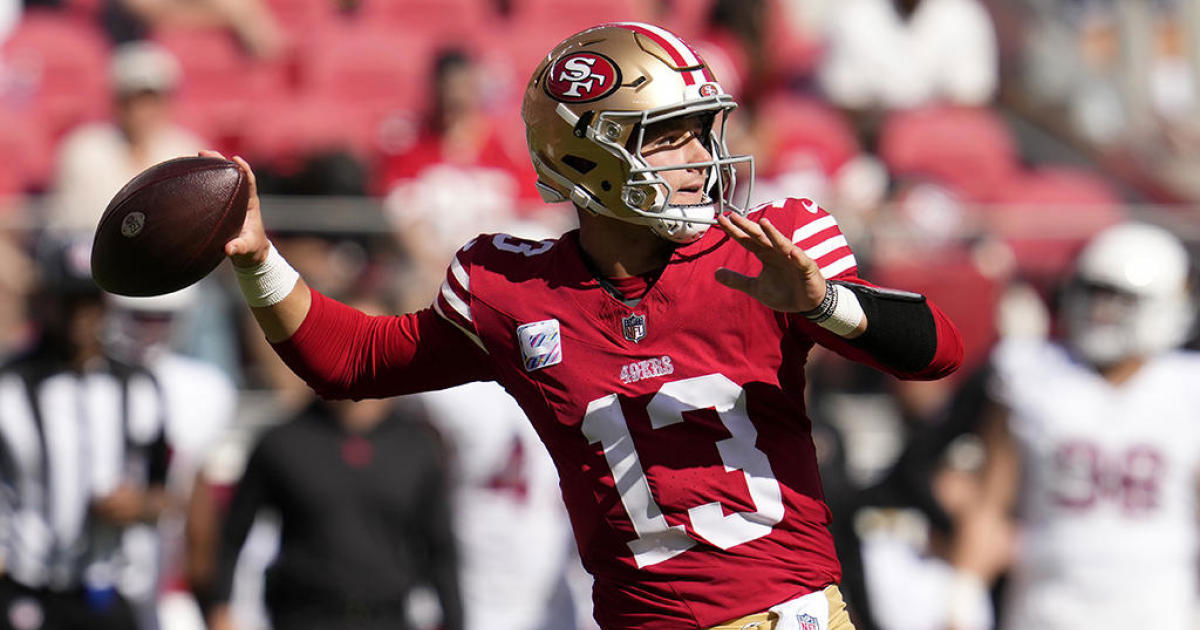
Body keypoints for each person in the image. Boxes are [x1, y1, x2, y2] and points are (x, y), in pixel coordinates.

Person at [212, 21, 963, 630]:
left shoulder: (769, 249)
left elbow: (937, 353)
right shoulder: (513, 289)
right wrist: (257, 261)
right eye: (672, 135)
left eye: (705, 131)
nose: (704, 158)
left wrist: (823, 303)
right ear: (587, 156)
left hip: (782, 617)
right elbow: (352, 362)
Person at [951, 221, 1200, 630]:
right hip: (1048, 607)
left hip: (1159, 607)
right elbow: (990, 502)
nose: (1101, 311)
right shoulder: (1033, 373)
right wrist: (962, 593)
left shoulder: (1187, 389)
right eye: (1094, 292)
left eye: (1120, 298)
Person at [0, 239, 170, 630]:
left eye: (90, 303)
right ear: (45, 303)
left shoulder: (139, 387)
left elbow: (164, 492)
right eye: (69, 303)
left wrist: (139, 505)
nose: (82, 317)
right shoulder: (10, 387)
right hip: (26, 588)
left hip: (105, 589)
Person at [204, 395, 462, 630]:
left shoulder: (416, 447)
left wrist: (454, 619)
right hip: (303, 614)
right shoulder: (284, 440)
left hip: (387, 616)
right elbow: (232, 534)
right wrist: (220, 605)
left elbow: (440, 546)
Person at [47, 41, 203, 235]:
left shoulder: (186, 150)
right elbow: (77, 228)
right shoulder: (84, 150)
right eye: (132, 100)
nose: (142, 111)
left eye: (151, 100)